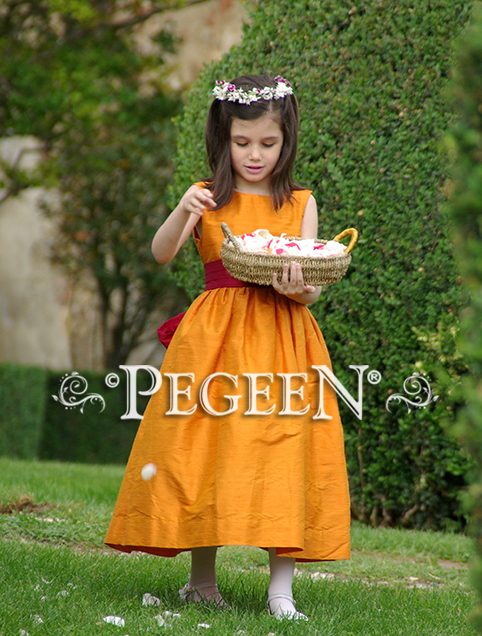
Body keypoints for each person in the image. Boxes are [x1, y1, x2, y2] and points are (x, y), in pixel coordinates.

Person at [105, 74, 350, 622]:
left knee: (287, 449)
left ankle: (280, 591)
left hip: (284, 338)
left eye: (269, 143)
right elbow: (161, 252)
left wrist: (299, 286)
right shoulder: (208, 197)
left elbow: (310, 286)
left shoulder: (301, 202)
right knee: (204, 449)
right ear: (223, 138)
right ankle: (202, 582)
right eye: (242, 143)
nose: (255, 155)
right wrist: (183, 209)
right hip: (213, 342)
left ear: (287, 141)